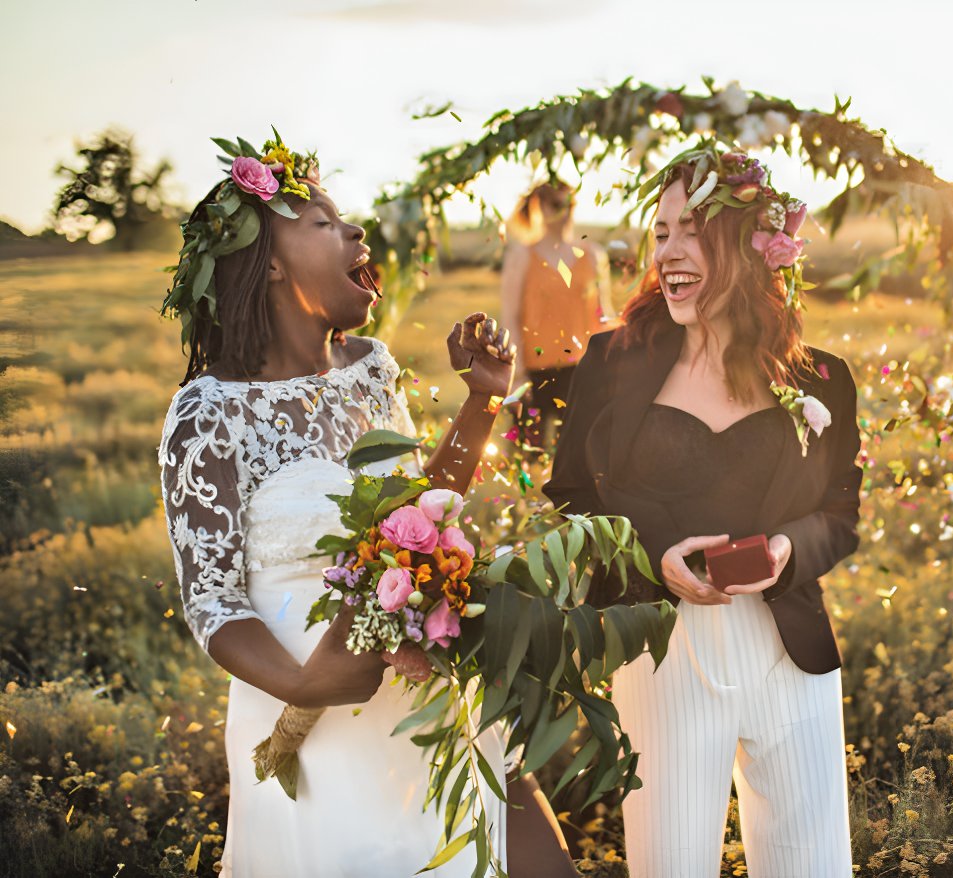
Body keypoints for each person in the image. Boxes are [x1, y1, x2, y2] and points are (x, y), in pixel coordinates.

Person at [158, 133, 577, 877]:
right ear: (271, 263)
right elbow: (211, 600)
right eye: (322, 222)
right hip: (312, 721)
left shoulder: (370, 367)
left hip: (421, 684)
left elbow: (418, 516)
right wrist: (300, 684)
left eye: (344, 220)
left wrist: (482, 402)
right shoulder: (207, 412)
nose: (352, 231)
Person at [544, 147, 860, 877]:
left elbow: (839, 516)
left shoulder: (823, 379)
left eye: (693, 230)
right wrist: (652, 554)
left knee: (814, 868)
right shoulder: (608, 364)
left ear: (754, 246)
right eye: (660, 234)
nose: (670, 253)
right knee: (672, 864)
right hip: (662, 654)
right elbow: (574, 499)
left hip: (792, 654)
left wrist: (785, 550)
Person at [500, 181, 613, 450]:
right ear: (540, 206)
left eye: (569, 204)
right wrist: (516, 377)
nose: (564, 212)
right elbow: (510, 316)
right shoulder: (521, 256)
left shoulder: (593, 255)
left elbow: (603, 314)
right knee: (529, 458)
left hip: (580, 372)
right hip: (533, 372)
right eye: (556, 204)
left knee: (577, 457)